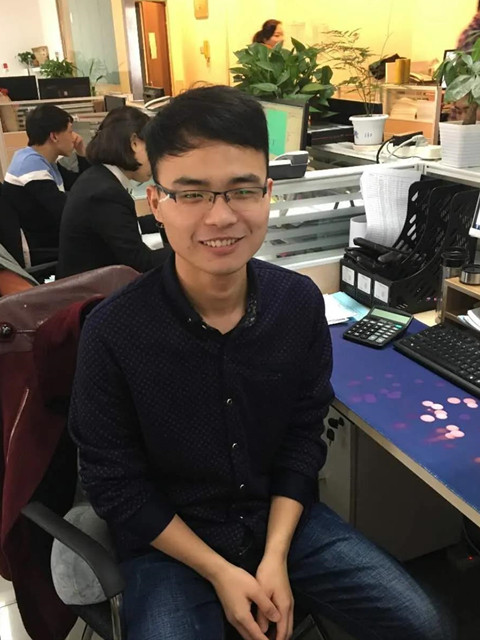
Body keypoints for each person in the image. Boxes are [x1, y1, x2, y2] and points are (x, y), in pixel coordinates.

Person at [69, 85, 454, 640]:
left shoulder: (296, 304)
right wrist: (221, 572)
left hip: (281, 524)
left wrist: (273, 557)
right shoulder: (114, 331)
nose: (221, 216)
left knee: (427, 625)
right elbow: (115, 484)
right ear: (155, 203)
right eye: (191, 194)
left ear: (268, 193)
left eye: (242, 190)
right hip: (170, 545)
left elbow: (302, 438)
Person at [56, 106, 170, 278]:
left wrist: (165, 219)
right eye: (152, 149)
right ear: (134, 143)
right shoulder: (106, 193)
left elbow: (124, 225)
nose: (155, 160)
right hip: (91, 291)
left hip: (90, 282)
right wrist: (188, 250)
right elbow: (141, 262)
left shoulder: (98, 177)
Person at [2, 105, 88, 261]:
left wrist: (82, 153)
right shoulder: (30, 166)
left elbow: (82, 185)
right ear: (54, 136)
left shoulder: (43, 162)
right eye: (70, 131)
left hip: (51, 241)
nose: (74, 137)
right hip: (39, 250)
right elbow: (66, 212)